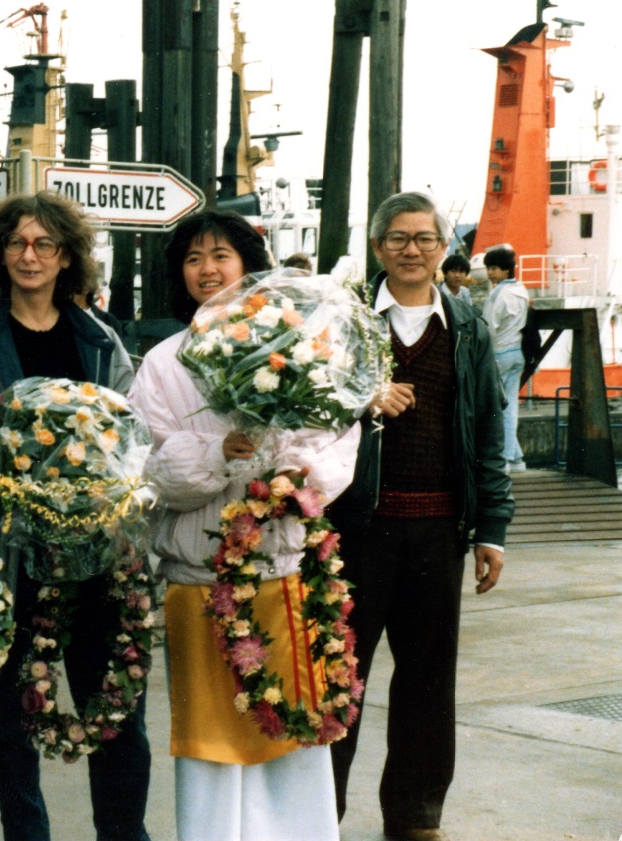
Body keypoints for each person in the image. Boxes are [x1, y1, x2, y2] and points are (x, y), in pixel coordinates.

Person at [128, 211, 360, 841]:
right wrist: (216, 454)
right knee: (209, 748)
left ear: (249, 265)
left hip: (283, 576)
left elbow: (335, 443)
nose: (208, 269)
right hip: (198, 582)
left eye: (222, 255)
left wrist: (291, 470)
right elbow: (146, 469)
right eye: (194, 257)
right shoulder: (162, 362)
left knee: (290, 735)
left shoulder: (297, 345)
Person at [0, 191, 144, 841]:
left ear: (66, 257)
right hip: (10, 560)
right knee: (15, 720)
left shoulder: (98, 337)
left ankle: (124, 833)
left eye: (44, 244)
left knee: (114, 710)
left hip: (94, 559)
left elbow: (130, 441)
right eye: (18, 243)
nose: (30, 256)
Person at [328, 192, 513, 841]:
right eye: (398, 238)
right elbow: (307, 418)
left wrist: (492, 527)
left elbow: (490, 430)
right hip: (356, 531)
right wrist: (361, 400)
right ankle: (320, 813)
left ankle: (415, 814)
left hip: (439, 532)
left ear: (442, 248)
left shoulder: (469, 327)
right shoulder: (344, 323)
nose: (412, 249)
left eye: (424, 238)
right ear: (378, 248)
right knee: (337, 676)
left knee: (429, 683)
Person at [482, 243, 529, 474]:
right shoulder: (522, 290)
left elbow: (488, 327)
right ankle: (518, 459)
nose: (490, 272)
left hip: (499, 354)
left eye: (494, 268)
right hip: (517, 352)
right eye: (489, 268)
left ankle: (506, 460)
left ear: (505, 270)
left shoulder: (498, 293)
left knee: (497, 409)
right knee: (510, 408)